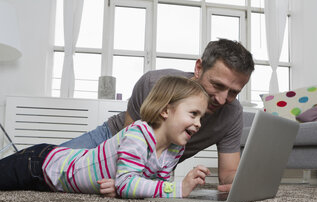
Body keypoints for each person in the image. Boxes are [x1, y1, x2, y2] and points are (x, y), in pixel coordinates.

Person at [61, 38, 255, 193]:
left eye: (233, 92)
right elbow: (133, 143)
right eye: (217, 85)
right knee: (47, 166)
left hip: (156, 163)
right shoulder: (153, 83)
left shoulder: (232, 113)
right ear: (198, 68)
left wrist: (241, 184)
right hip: (113, 138)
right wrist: (124, 184)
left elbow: (229, 172)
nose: (222, 99)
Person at [0, 76, 211, 198]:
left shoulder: (174, 150)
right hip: (41, 163)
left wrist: (121, 187)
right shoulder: (138, 135)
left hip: (50, 186)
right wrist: (178, 189)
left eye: (201, 117)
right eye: (193, 114)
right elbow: (130, 183)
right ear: (166, 110)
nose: (199, 124)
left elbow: (149, 186)